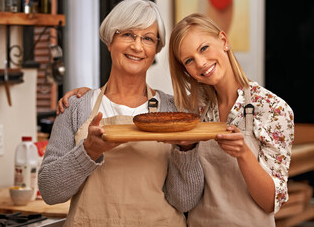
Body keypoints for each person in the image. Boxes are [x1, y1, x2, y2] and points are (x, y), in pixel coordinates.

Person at [58, 13, 295, 226]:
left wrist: (243, 155)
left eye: (204, 48)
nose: (200, 63)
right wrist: (86, 96)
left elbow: (270, 204)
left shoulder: (273, 110)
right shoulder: (190, 109)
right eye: (189, 61)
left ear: (224, 41)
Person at [38, 0, 204, 226]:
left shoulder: (173, 110)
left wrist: (186, 149)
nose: (137, 46)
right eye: (127, 34)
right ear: (109, 41)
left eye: (147, 38)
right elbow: (50, 191)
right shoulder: (76, 107)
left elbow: (184, 201)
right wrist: (89, 151)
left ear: (156, 48)